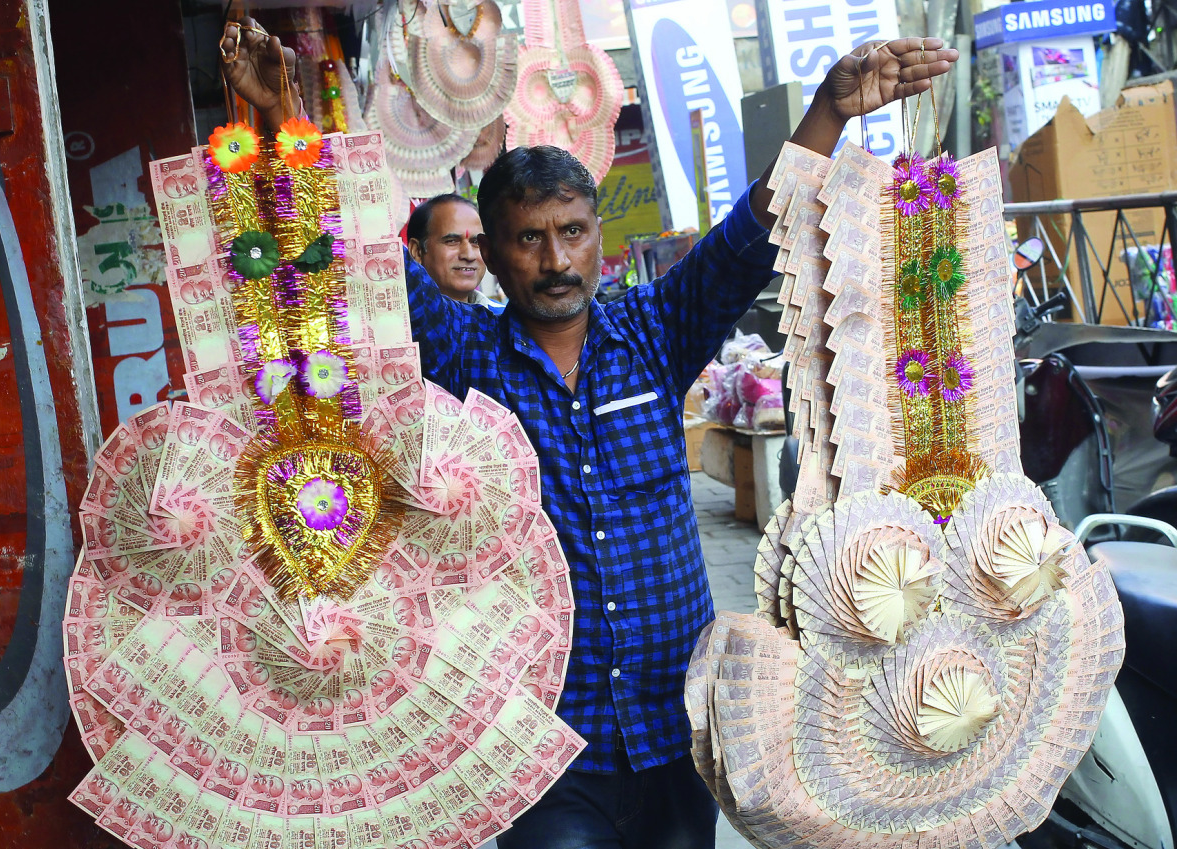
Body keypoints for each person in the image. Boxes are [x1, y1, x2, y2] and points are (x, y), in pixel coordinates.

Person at [221, 21, 957, 849]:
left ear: (599, 239)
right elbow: (360, 257)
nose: (555, 259)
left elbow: (750, 237)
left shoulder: (656, 330)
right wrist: (287, 112)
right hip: (540, 745)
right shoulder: (465, 358)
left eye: (572, 232)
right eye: (529, 239)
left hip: (679, 734)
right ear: (493, 258)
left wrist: (829, 108)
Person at [407, 193, 505, 313]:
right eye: (452, 241)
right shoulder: (398, 324)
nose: (469, 255)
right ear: (417, 251)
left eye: (476, 242)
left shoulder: (506, 323)